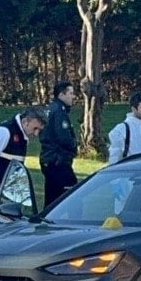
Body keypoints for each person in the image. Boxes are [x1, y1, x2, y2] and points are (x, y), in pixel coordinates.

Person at [0, 106, 47, 211]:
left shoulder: (23, 138)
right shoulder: (3, 132)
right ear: (25, 122)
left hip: (8, 197)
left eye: (39, 130)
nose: (36, 134)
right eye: (35, 128)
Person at [39, 81, 79, 209]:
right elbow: (63, 138)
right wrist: (74, 144)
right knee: (73, 196)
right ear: (61, 95)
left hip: (49, 159)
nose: (73, 97)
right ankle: (73, 225)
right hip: (58, 160)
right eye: (71, 93)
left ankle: (47, 224)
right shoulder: (59, 112)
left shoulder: (51, 109)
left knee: (52, 198)